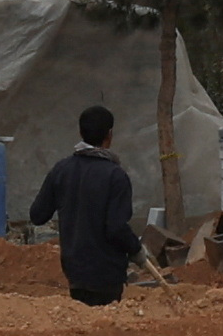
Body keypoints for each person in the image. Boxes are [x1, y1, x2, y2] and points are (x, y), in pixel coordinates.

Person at [34, 106, 142, 307]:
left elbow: (37, 215)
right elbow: (116, 227)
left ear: (80, 133)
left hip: (74, 270)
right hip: (106, 273)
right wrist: (137, 249)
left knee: (83, 326)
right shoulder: (115, 176)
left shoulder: (61, 170)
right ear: (109, 135)